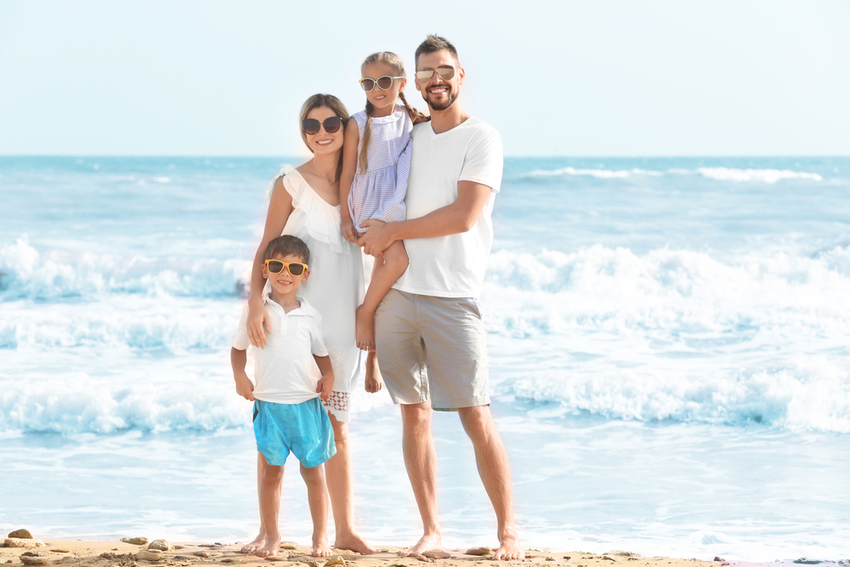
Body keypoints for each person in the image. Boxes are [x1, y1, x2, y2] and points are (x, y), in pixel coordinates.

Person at [357, 35, 524, 561]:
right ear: (417, 80)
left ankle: (509, 535)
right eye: (427, 72)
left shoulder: (482, 138)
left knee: (476, 415)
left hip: (454, 298)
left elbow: (463, 216)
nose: (437, 80)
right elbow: (373, 163)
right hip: (399, 296)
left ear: (461, 74)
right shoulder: (414, 133)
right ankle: (431, 531)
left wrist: (393, 230)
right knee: (414, 415)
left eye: (445, 70)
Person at [244, 94, 376, 555]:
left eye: (332, 122)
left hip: (339, 323)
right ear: (303, 131)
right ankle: (269, 531)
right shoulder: (290, 182)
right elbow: (265, 248)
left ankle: (343, 529)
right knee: (275, 427)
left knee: (336, 426)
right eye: (312, 124)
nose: (322, 131)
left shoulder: (359, 185)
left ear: (346, 126)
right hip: (287, 322)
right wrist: (253, 308)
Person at [231, 235, 335, 558]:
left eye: (293, 267)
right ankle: (272, 537)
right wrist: (240, 377)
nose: (284, 273)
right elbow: (237, 351)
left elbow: (322, 355)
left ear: (305, 274)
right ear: (265, 269)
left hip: (306, 405)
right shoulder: (255, 313)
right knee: (271, 474)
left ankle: (320, 538)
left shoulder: (311, 317)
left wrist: (329, 375)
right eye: (276, 266)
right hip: (269, 405)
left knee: (313, 472)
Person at [339, 51, 428, 352]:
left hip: (395, 198)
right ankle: (365, 311)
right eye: (369, 83)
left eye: (386, 81)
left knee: (384, 265)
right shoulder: (358, 123)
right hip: (368, 203)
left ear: (402, 83)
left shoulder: (410, 118)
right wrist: (344, 218)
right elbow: (347, 173)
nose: (377, 89)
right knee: (398, 260)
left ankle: (372, 351)